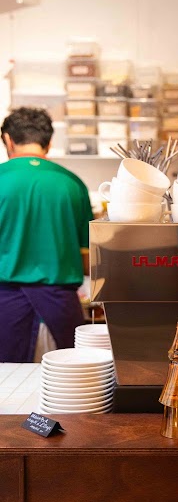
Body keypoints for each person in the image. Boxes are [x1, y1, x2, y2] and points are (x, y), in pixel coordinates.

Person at [0, 107, 94, 362]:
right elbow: (88, 252)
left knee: (9, 390)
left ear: (8, 139)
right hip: (61, 307)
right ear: (49, 143)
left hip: (5, 308)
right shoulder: (72, 183)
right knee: (68, 389)